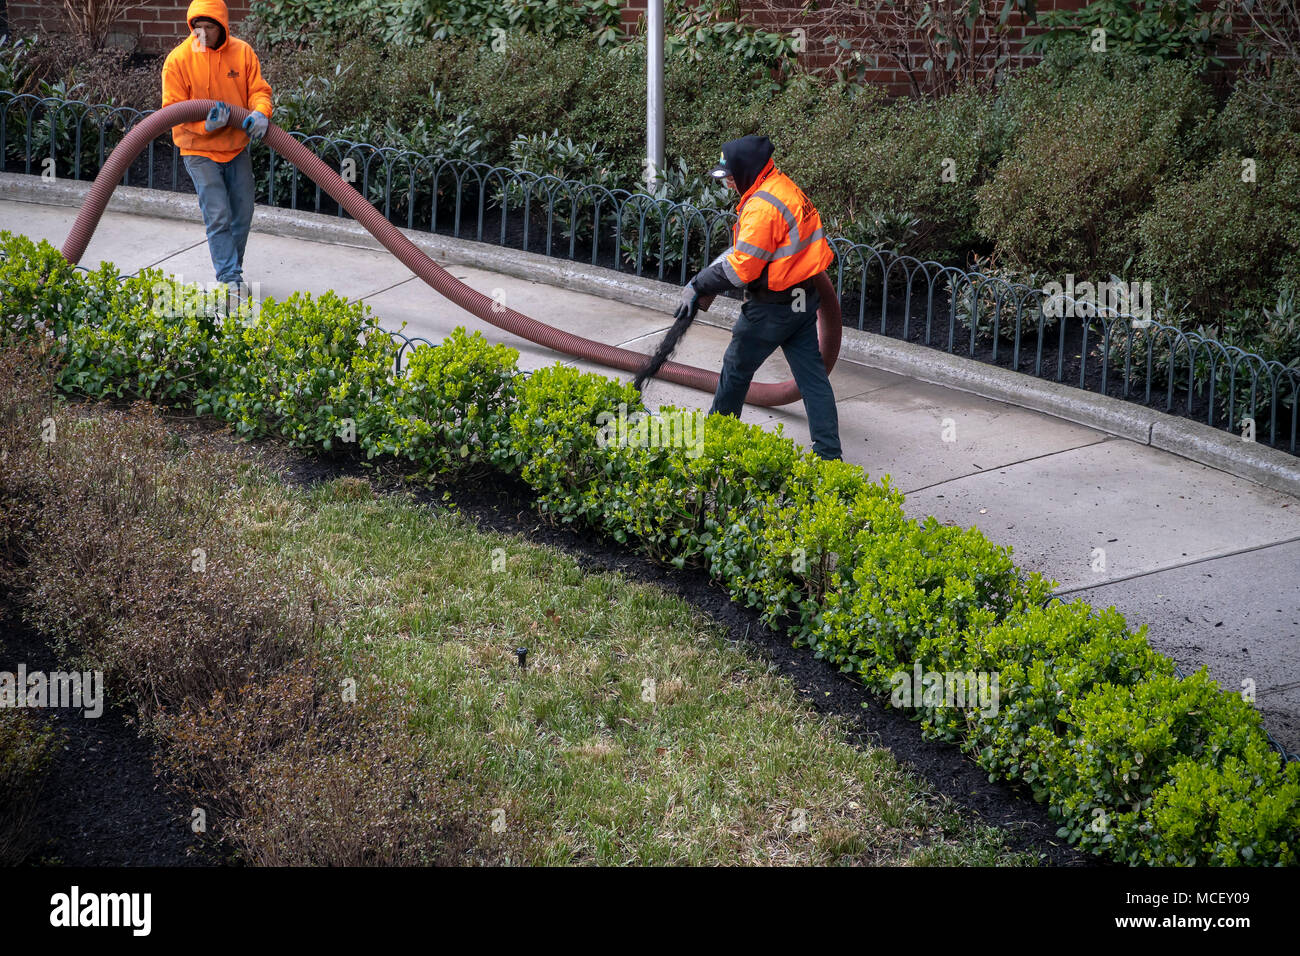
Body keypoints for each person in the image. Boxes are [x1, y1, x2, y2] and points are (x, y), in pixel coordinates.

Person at [679, 134, 842, 460]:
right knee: (812, 379)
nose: (730, 186)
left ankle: (716, 444)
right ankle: (829, 458)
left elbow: (742, 270)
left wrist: (698, 284)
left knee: (736, 368)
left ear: (746, 171)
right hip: (802, 298)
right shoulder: (783, 187)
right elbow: (761, 251)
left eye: (730, 179)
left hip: (772, 307)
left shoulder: (762, 209)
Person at [161, 0, 272, 299]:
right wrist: (204, 126)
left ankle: (232, 270)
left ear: (222, 25)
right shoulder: (178, 60)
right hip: (198, 150)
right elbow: (172, 110)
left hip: (236, 147)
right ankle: (229, 277)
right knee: (219, 214)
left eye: (210, 27)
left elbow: (259, 91)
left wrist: (261, 112)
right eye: (198, 27)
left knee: (242, 212)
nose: (204, 33)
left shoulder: (242, 52)